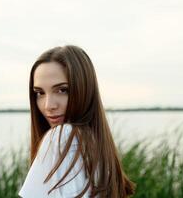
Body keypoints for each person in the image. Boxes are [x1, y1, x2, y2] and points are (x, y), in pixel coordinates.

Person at [19, 45, 135, 198]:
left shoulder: (63, 136)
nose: (48, 105)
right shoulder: (95, 143)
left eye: (62, 90)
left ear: (84, 89)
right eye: (40, 93)